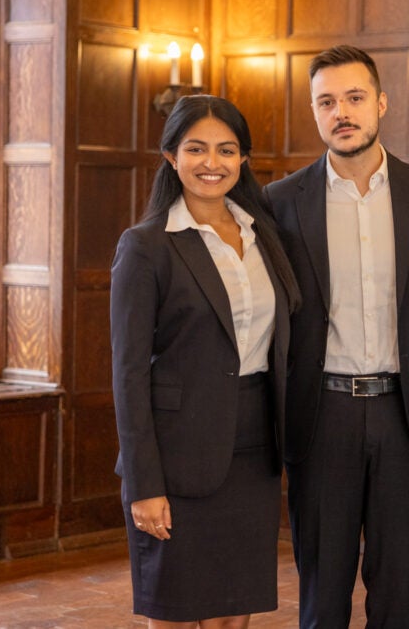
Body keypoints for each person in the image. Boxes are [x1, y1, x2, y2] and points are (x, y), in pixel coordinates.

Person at [264, 45, 409, 627]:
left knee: (399, 594)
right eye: (327, 102)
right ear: (314, 112)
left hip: (406, 416)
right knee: (323, 597)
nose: (340, 112)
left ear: (381, 103)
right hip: (322, 416)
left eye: (353, 98)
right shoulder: (280, 202)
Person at [110, 95, 300, 628]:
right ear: (171, 156)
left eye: (226, 150)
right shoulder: (146, 245)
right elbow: (127, 374)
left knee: (233, 610)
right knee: (174, 610)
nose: (211, 163)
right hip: (175, 457)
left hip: (254, 451)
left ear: (243, 160)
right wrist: (144, 484)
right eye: (196, 149)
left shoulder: (268, 238)